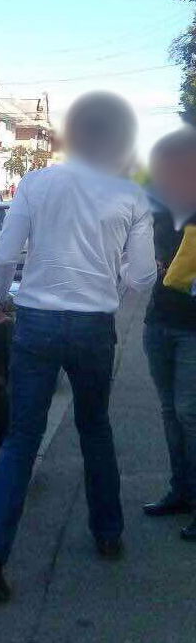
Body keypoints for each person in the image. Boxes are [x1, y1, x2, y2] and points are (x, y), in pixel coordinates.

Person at [0, 92, 157, 601]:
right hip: (93, 327)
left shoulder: (37, 184)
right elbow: (142, 275)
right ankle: (108, 533)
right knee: (95, 428)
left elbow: (5, 255)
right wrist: (111, 278)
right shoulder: (130, 195)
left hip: (35, 323)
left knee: (20, 439)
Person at [141, 127, 196, 541]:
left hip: (192, 327)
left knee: (189, 414)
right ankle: (180, 490)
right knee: (169, 411)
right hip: (158, 319)